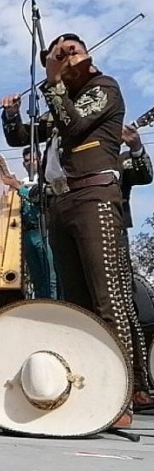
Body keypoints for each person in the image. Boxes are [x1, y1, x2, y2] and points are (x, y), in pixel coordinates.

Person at [0, 33, 135, 426]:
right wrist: (11, 113)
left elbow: (75, 128)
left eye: (72, 50)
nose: (66, 57)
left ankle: (121, 394)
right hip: (60, 202)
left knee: (106, 298)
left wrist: (54, 80)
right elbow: (20, 136)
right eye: (58, 54)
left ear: (90, 55)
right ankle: (91, 389)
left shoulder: (103, 87)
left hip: (94, 196)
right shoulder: (62, 102)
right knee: (75, 303)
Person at [119, 124, 153, 407]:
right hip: (67, 231)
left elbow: (145, 174)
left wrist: (136, 147)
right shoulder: (69, 156)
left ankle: (138, 382)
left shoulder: (119, 161)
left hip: (111, 231)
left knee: (123, 307)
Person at [0, 146, 57, 299]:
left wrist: (19, 188)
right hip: (28, 234)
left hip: (44, 231)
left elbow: (42, 198)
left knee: (50, 277)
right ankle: (41, 308)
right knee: (37, 279)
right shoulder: (23, 181)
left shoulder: (47, 178)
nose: (29, 163)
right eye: (26, 160)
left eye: (33, 159)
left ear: (40, 159)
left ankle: (55, 309)